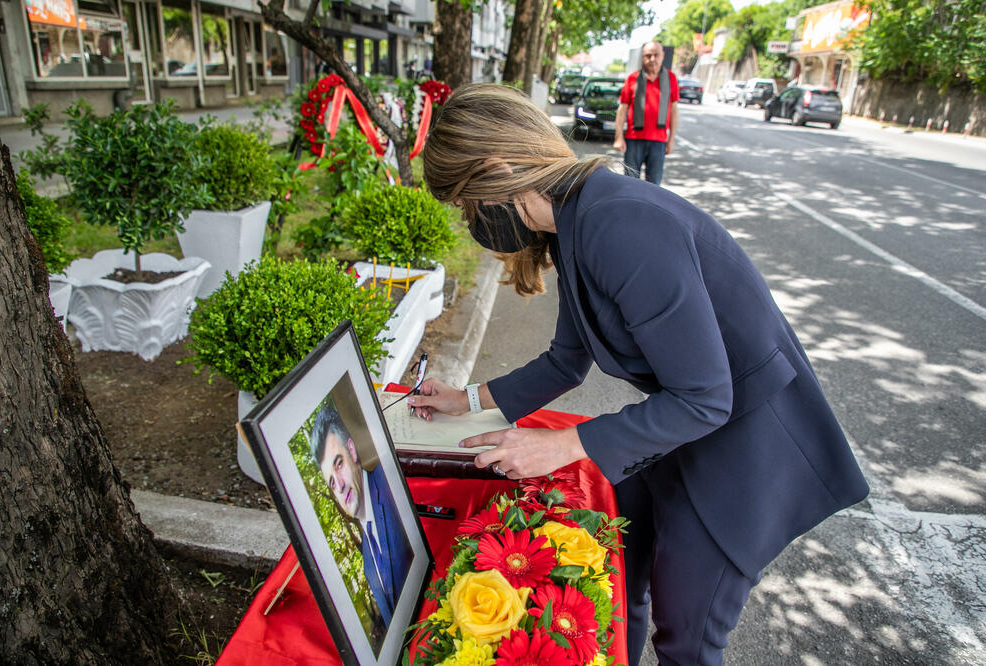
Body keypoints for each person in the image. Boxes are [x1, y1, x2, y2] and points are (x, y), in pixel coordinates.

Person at [408, 83, 869, 666]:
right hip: (685, 429)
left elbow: (706, 397)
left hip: (747, 449)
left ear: (497, 171)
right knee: (617, 572)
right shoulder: (575, 220)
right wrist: (469, 398)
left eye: (466, 203)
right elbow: (566, 359)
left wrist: (562, 444)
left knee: (688, 638)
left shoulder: (617, 222)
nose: (471, 220)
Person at [311, 405, 412, 623]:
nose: (338, 485)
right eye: (330, 482)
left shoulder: (388, 483)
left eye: (338, 464)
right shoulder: (367, 559)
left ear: (352, 451)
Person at [613, 41, 679, 185]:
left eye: (656, 55)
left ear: (662, 56)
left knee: (654, 185)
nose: (652, 59)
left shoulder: (671, 79)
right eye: (648, 56)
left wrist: (671, 139)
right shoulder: (633, 78)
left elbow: (673, 110)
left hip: (659, 141)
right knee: (630, 183)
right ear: (642, 58)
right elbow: (622, 109)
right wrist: (619, 137)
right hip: (634, 139)